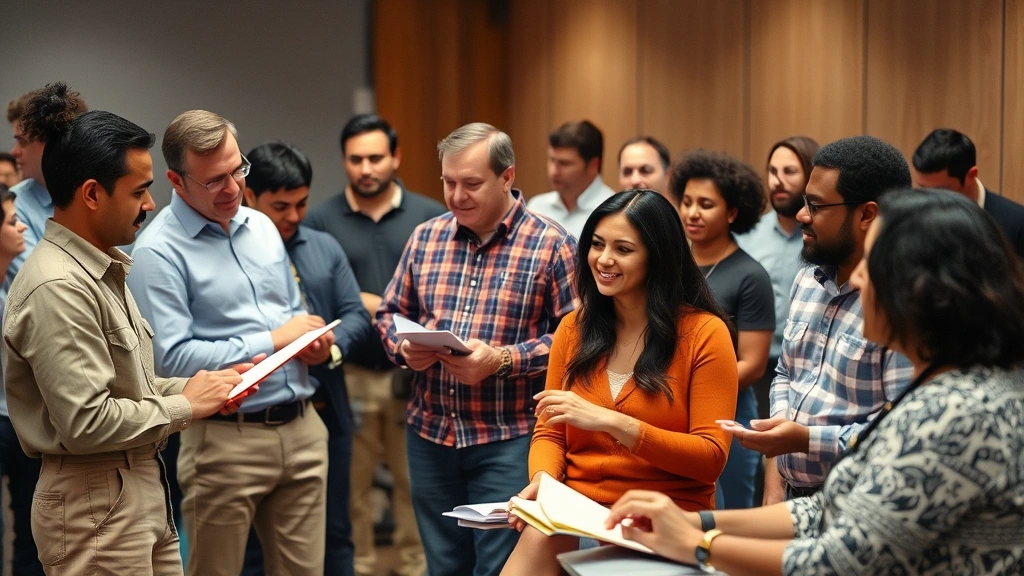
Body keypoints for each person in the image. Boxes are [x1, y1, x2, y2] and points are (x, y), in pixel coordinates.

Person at [607, 188, 1024, 575]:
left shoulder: (959, 413)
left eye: (870, 265)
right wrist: (697, 520)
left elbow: (839, 562)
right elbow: (831, 509)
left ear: (921, 288)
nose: (858, 279)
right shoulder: (951, 383)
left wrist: (698, 544)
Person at [2, 107, 256, 575]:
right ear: (93, 194)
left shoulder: (98, 268)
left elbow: (126, 390)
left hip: (132, 488)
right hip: (96, 503)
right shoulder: (59, 285)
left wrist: (199, 389)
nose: (150, 204)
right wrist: (186, 407)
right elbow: (87, 422)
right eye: (139, 191)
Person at [128, 110, 332, 576]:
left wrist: (310, 343)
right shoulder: (157, 251)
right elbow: (168, 359)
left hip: (302, 428)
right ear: (177, 182)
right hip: (224, 443)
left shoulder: (261, 227)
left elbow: (293, 314)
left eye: (238, 169)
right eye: (214, 180)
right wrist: (274, 339)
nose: (234, 188)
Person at [500, 189, 738, 575]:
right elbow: (550, 431)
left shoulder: (704, 333)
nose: (604, 259)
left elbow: (710, 459)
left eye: (623, 249)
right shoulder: (574, 329)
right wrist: (543, 481)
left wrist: (614, 422)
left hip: (661, 516)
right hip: (574, 510)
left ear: (657, 258)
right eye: (596, 245)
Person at [376, 122, 577, 576]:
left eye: (471, 184)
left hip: (508, 436)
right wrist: (404, 348)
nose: (456, 196)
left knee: (499, 565)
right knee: (443, 564)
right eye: (448, 182)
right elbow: (388, 314)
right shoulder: (426, 237)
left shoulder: (551, 244)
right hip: (430, 434)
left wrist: (501, 361)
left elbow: (578, 344)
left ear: (507, 177)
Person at [728, 136, 914, 505]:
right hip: (789, 496)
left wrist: (805, 438)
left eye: (815, 205)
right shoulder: (808, 280)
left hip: (857, 505)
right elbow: (786, 374)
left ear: (867, 215)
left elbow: (900, 435)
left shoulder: (901, 305)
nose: (801, 216)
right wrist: (776, 476)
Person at [306, 114, 442, 576]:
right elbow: (311, 297)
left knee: (414, 485)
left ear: (396, 157)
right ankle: (360, 566)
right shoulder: (320, 220)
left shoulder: (429, 216)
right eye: (356, 159)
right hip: (352, 374)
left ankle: (414, 567)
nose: (366, 168)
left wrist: (378, 304)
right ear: (343, 161)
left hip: (414, 375)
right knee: (351, 487)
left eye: (376, 158)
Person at [242, 141, 373, 576]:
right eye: (280, 206)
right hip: (250, 419)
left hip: (324, 412)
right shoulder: (232, 254)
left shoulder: (322, 247)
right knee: (251, 547)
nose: (293, 217)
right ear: (249, 196)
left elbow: (355, 314)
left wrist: (330, 348)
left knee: (336, 530)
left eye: (301, 204)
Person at [673, 150, 775, 510]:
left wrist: (695, 391)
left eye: (705, 204)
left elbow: (754, 363)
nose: (691, 213)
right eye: (686, 202)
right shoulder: (669, 266)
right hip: (669, 407)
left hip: (729, 413)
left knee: (727, 519)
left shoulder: (750, 275)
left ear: (732, 212)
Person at [737, 137, 819, 423]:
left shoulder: (823, 240)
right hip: (755, 369)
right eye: (772, 172)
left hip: (809, 370)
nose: (778, 181)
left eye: (789, 172)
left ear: (811, 176)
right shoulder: (747, 236)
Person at [6, 83, 87, 283]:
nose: (14, 152)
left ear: (53, 144)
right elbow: (44, 284)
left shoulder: (96, 192)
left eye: (22, 141)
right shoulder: (13, 205)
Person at [912, 128, 1024, 256]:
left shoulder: (1017, 224)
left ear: (971, 175)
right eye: (923, 189)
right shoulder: (913, 223)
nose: (930, 200)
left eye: (940, 191)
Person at [0, 184, 29, 574]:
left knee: (33, 533)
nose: (22, 227)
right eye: (11, 221)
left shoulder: (10, 288)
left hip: (19, 422)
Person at [527, 120, 614, 238]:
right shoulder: (536, 208)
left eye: (564, 163)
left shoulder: (614, 211)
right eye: (551, 160)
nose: (553, 171)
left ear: (593, 165)